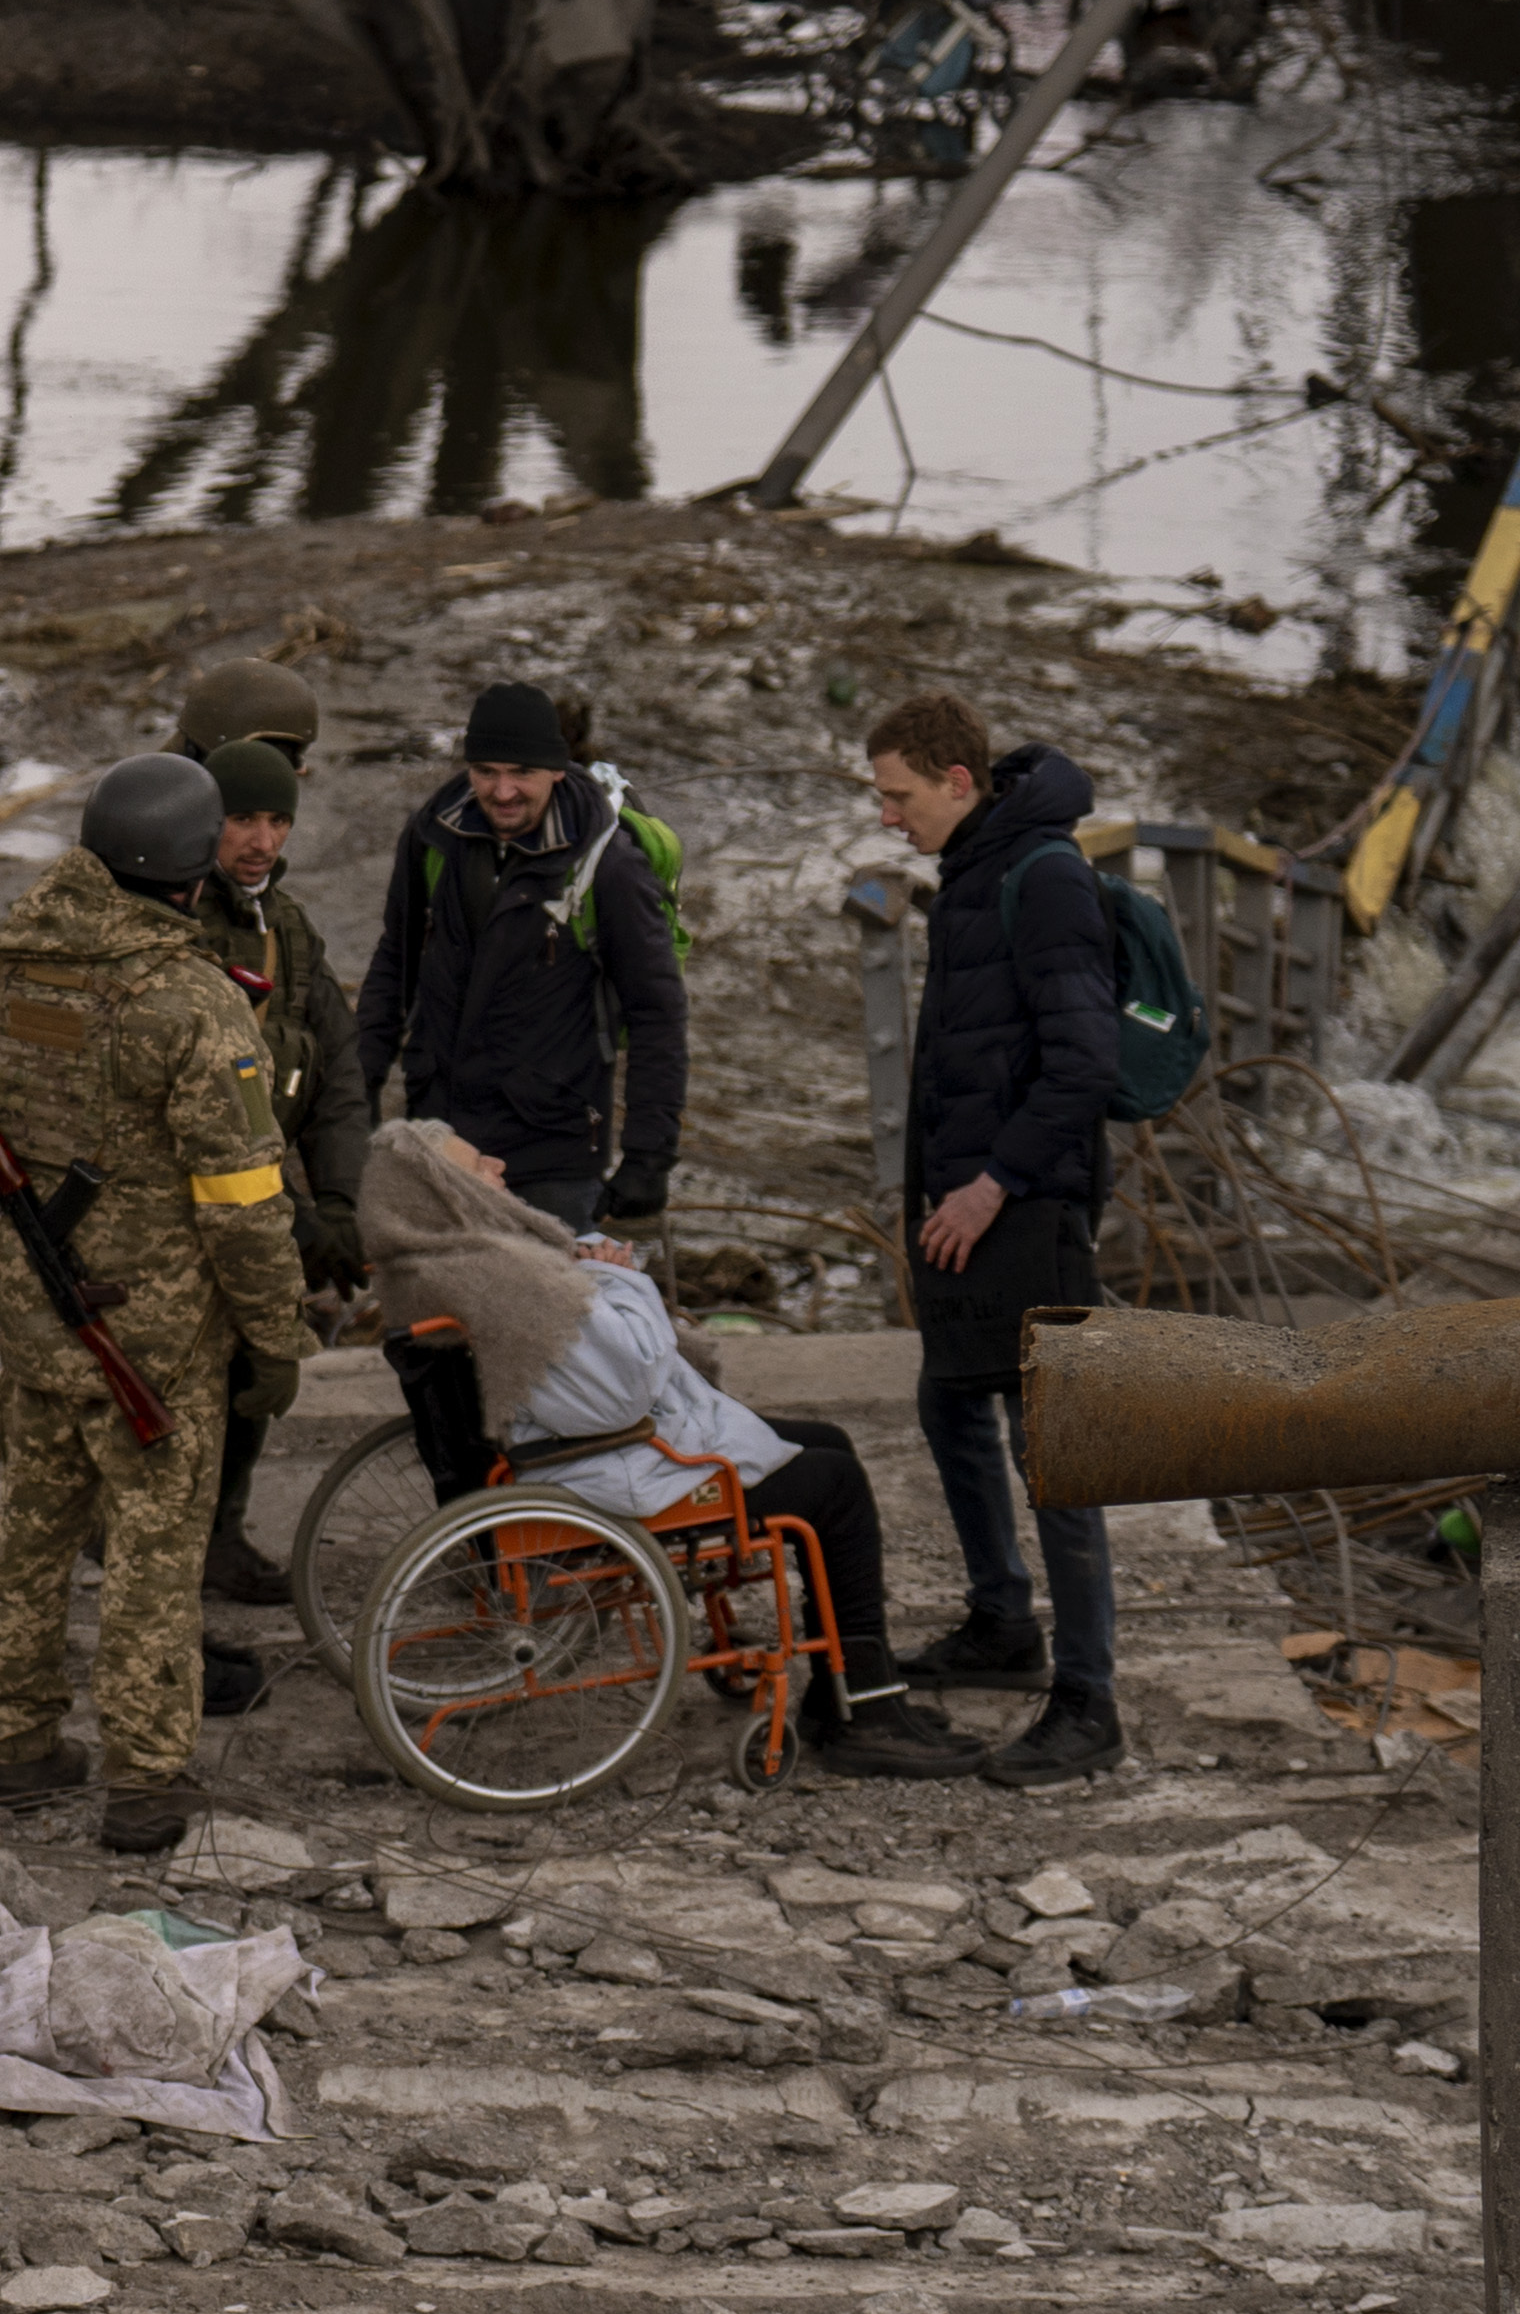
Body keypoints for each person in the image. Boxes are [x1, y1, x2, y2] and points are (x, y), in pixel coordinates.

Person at [359, 1124, 990, 1780]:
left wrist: (588, 1273)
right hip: (606, 1466)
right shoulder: (504, 1277)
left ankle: (844, 1690)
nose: (497, 1161)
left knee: (828, 1443)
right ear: (450, 1195)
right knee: (835, 1486)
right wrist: (619, 1278)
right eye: (476, 1166)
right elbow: (625, 1389)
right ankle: (868, 1708)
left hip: (571, 1454)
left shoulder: (456, 1262)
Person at [0, 752, 315, 1857]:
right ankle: (145, 1781)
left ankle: (20, 1747)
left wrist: (24, 1278)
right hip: (156, 1344)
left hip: (39, 1326)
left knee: (31, 1536)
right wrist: (275, 1336)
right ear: (193, 870)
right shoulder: (191, 1003)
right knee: (154, 1561)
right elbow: (243, 1202)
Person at [867, 693, 1125, 1788]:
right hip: (967, 1202)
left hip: (1026, 1204)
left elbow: (1085, 1063)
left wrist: (991, 1185)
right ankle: (1001, 1623)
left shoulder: (1043, 876)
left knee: (1053, 1446)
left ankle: (1089, 1701)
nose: (887, 816)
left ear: (958, 781)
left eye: (898, 795)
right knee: (947, 1399)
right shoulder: (973, 869)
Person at [352, 681, 688, 1493]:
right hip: (446, 1147)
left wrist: (648, 1159)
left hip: (553, 1153)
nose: (502, 792)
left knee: (552, 1361)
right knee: (433, 1351)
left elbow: (659, 1013)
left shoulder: (608, 864)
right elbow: (393, 969)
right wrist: (353, 1100)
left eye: (522, 775)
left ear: (557, 770)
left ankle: (564, 1527)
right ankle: (471, 1524)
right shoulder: (433, 835)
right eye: (486, 772)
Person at [177, 678, 369, 1617]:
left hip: (262, 1194)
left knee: (262, 1362)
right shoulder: (171, 913)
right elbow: (197, 1104)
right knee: (188, 1381)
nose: (261, 840)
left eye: (277, 818)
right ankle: (160, 1552)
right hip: (190, 1204)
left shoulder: (282, 924)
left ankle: (216, 1536)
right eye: (242, 818)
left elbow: (338, 1071)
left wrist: (341, 1202)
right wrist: (296, 1221)